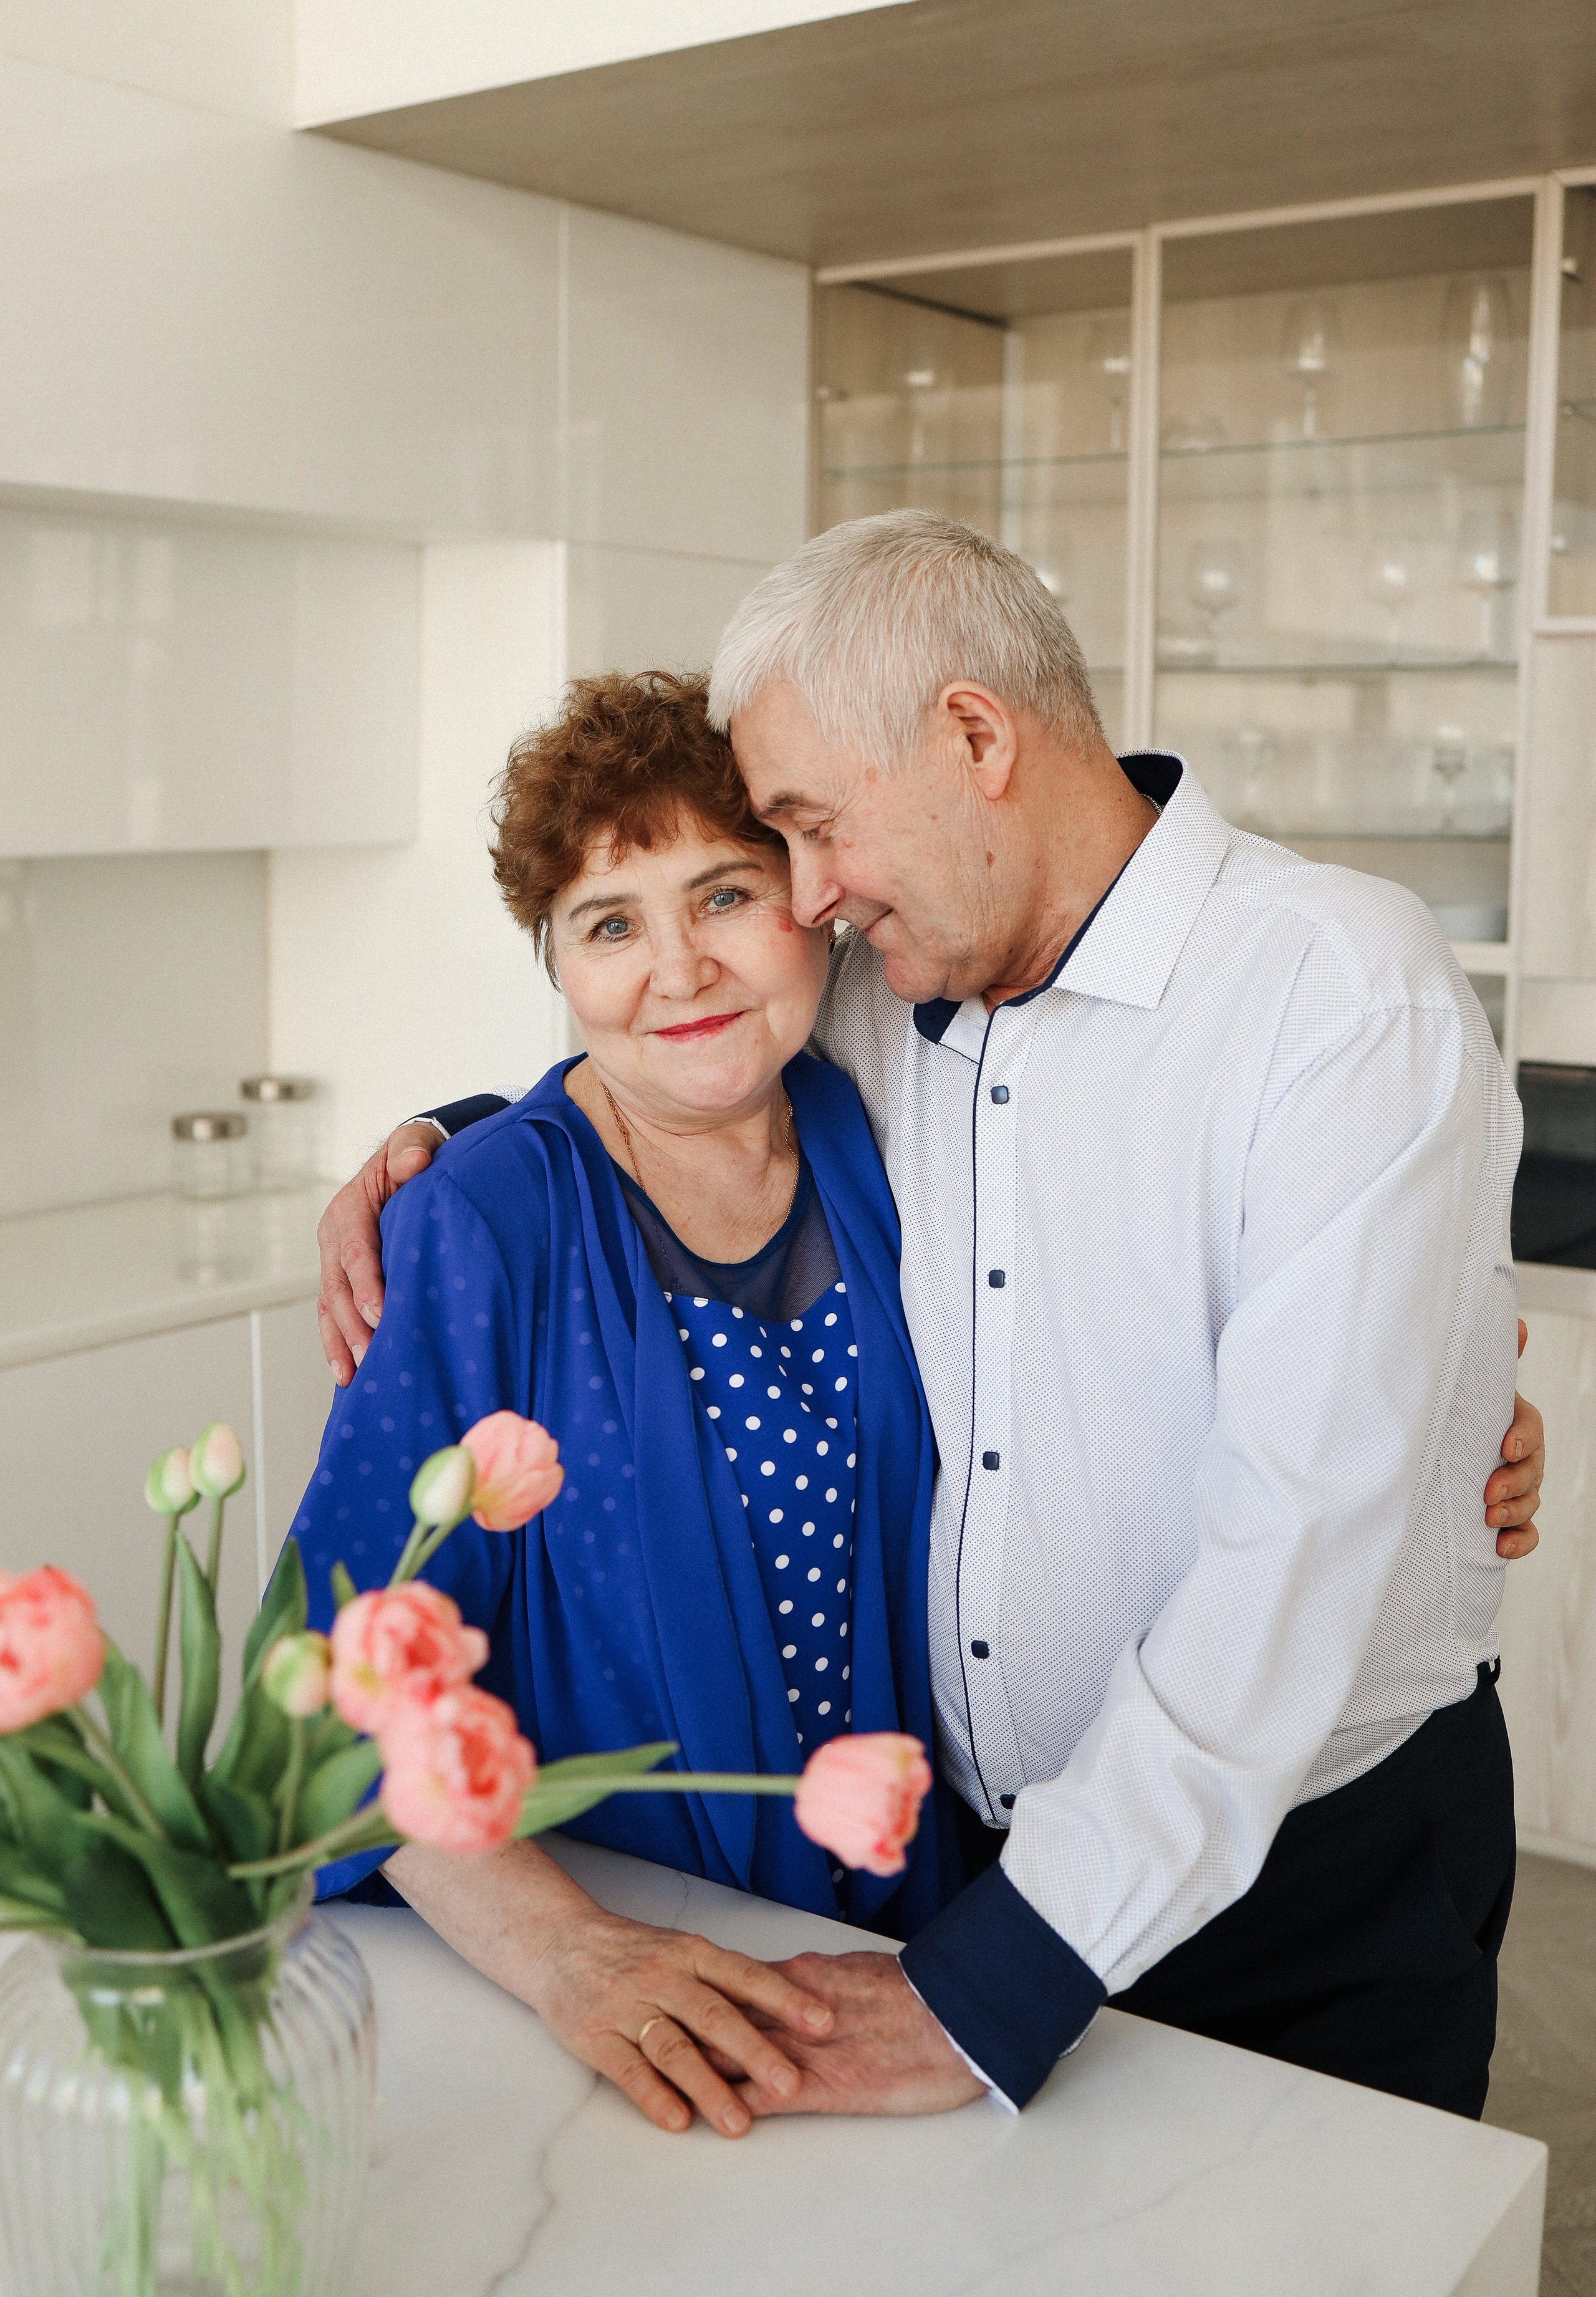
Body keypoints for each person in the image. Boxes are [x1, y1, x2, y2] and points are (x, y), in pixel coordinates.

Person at [317, 511, 1547, 2126]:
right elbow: (673, 1041)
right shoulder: (894, 981)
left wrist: (1004, 1977)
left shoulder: (1334, 992)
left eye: (814, 831)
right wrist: (448, 1148)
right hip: (977, 1864)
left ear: (974, 735)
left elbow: (1302, 1550)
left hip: (1306, 1888)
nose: (810, 897)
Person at [289, 671, 958, 2144]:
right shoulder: (481, 1216)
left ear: (806, 895)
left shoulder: (872, 1127)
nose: (679, 969)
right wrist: (568, 1953)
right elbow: (354, 1663)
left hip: (897, 1932)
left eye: (722, 894)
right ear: (557, 962)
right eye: (610, 924)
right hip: (621, 1953)